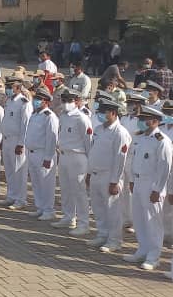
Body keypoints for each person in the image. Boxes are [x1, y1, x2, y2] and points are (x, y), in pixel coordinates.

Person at [123, 106, 172, 271]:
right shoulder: (140, 138)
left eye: (145, 119)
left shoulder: (162, 141)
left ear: (156, 121)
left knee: (153, 222)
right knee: (139, 219)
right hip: (138, 182)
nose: (141, 121)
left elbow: (165, 167)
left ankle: (153, 256)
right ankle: (142, 249)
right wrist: (131, 179)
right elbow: (133, 159)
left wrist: (157, 189)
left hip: (152, 185)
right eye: (141, 118)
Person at [86, 98, 132, 253]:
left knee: (113, 211)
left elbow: (120, 159)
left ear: (113, 113)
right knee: (98, 208)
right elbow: (93, 152)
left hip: (109, 176)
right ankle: (102, 234)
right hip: (96, 173)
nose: (100, 115)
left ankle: (114, 240)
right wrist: (89, 172)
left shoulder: (120, 132)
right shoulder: (99, 129)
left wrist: (114, 181)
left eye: (103, 112)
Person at [54, 88, 93, 234]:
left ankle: (83, 223)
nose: (65, 103)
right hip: (64, 155)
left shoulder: (82, 118)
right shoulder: (63, 116)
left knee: (79, 192)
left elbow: (88, 143)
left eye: (69, 101)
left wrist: (89, 165)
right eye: (63, 100)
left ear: (76, 101)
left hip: (78, 157)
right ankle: (68, 217)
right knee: (65, 189)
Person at [21, 87, 60, 222]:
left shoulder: (50, 116)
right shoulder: (35, 114)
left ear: (46, 102)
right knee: (36, 182)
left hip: (43, 153)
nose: (36, 101)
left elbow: (52, 138)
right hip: (32, 152)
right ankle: (40, 207)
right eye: (36, 98)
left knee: (46, 184)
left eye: (39, 99)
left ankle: (49, 210)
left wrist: (48, 157)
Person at [0, 78, 33, 210]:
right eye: (7, 86)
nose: (8, 89)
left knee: (19, 171)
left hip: (17, 140)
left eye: (11, 87)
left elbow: (25, 124)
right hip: (7, 139)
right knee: (9, 170)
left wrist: (21, 143)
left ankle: (21, 199)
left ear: (18, 88)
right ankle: (11, 195)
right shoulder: (8, 101)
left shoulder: (24, 103)